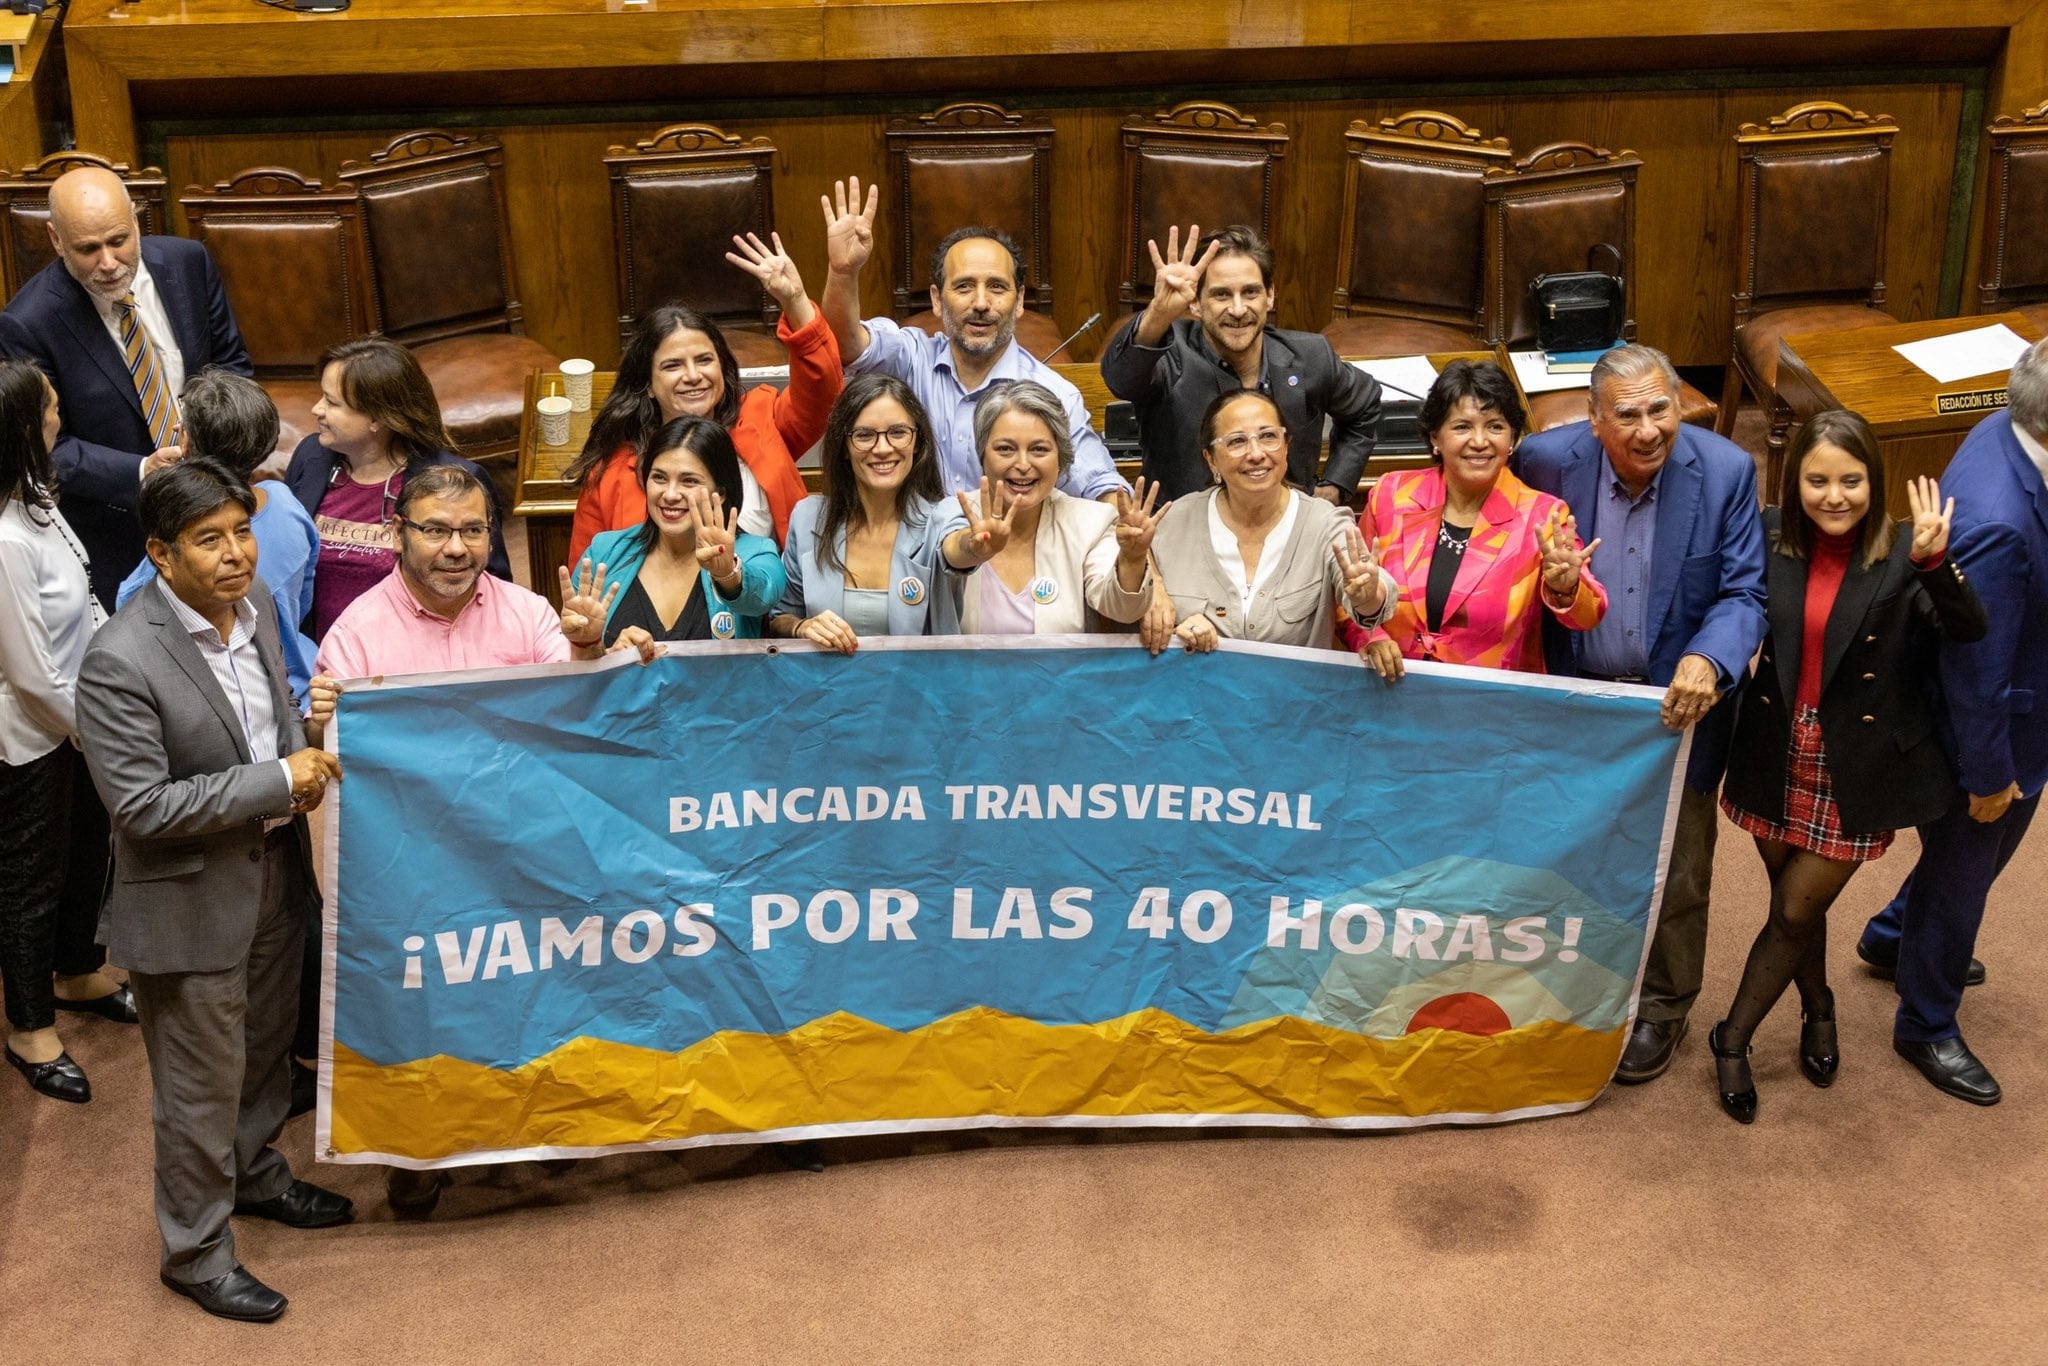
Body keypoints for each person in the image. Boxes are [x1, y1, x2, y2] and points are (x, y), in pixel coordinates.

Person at [309, 462, 656, 1214]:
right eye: (435, 530)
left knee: (540, 991)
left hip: (528, 856)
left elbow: (578, 725)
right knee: (425, 1006)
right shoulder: (355, 636)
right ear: (398, 533)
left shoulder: (532, 615)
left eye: (472, 530)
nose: (455, 548)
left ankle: (537, 1128)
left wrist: (591, 652)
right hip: (417, 875)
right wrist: (319, 719)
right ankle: (418, 1151)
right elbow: (335, 760)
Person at [74, 460, 350, 1323]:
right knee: (197, 1089)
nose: (236, 555)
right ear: (159, 553)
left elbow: (262, 729)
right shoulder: (119, 660)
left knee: (266, 1054)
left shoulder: (258, 608)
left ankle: (259, 1174)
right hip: (187, 900)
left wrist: (309, 726)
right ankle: (194, 1252)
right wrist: (279, 777)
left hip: (274, 876)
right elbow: (143, 806)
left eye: (242, 532)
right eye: (209, 540)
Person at [1708, 414, 1984, 1123]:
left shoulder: (1901, 553)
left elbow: (1967, 629)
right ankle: (1819, 1005)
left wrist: (1935, 563)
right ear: (1794, 479)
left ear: (1875, 481)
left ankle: (1731, 1038)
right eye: (1818, 479)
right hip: (1772, 747)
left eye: (1852, 480)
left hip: (1854, 762)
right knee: (1794, 909)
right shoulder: (1769, 535)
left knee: (1796, 909)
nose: (1835, 496)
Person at [1515, 343, 1767, 1084]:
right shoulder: (1543, 461)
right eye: (1629, 414)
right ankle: (1574, 989)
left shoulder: (1724, 473)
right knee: (1568, 857)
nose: (1651, 428)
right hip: (1575, 703)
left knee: (1681, 872)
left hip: (1675, 711)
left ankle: (1663, 1004)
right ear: (1594, 421)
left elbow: (1744, 593)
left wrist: (1710, 658)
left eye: (1663, 408)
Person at [1854, 338, 2048, 1105]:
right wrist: (1990, 776)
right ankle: (1926, 1024)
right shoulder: (2003, 522)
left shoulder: (2007, 426)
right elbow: (1978, 673)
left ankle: (1890, 938)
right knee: (1968, 874)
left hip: (2009, 704)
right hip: (1991, 734)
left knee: (1966, 868)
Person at [0, 166, 254, 608]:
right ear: (56, 240)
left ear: (137, 222)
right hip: (118, 530)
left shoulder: (188, 263)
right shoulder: (27, 324)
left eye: (118, 240)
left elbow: (232, 366)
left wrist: (214, 436)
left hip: (216, 497)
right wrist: (141, 471)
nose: (108, 262)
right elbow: (43, 446)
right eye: (87, 248)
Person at [817, 177, 1126, 501]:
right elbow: (843, 346)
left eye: (996, 287)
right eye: (964, 286)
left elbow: (1099, 484)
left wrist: (1124, 523)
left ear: (1019, 300)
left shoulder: (1054, 394)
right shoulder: (911, 360)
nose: (980, 303)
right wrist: (842, 272)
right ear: (937, 300)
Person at [0, 359, 130, 1104]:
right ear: (22, 428)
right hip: (30, 736)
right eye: (50, 408)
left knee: (90, 849)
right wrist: (95, 728)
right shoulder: (4, 538)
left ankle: (79, 968)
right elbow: (29, 672)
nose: (61, 416)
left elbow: (84, 599)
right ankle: (29, 1025)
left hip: (81, 716)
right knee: (30, 879)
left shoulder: (38, 498)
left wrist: (114, 683)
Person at [566, 231, 838, 565]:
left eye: (704, 360)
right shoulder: (610, 474)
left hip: (772, 606)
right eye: (672, 365)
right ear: (648, 384)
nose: (693, 375)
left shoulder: (760, 418)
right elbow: (589, 577)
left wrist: (795, 301)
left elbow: (823, 393)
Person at [1340, 360, 1604, 677]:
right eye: (1462, 426)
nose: (1479, 441)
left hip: (1490, 709)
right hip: (1390, 696)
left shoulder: (1543, 516)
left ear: (1513, 440)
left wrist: (1567, 587)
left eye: (1495, 426)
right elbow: (1348, 593)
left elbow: (1588, 616)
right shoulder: (1391, 495)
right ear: (1435, 437)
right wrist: (1371, 637)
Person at [1099, 224, 1383, 503]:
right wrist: (1158, 314)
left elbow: (1365, 406)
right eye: (1221, 294)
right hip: (1186, 536)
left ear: (1269, 295)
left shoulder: (1311, 355)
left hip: (1287, 533)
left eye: (1250, 292)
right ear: (1196, 303)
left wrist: (1335, 485)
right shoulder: (1168, 356)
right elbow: (1121, 379)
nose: (1238, 309)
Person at [280, 336, 510, 642]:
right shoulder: (312, 457)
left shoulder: (454, 479)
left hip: (417, 656)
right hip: (321, 662)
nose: (316, 409)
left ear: (378, 417)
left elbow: (492, 585)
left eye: (332, 402)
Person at [117, 369, 319, 709]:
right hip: (303, 679)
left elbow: (130, 605)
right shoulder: (286, 502)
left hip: (234, 699)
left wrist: (178, 493)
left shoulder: (187, 532)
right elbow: (306, 593)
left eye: (184, 427)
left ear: (188, 444)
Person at [766, 374, 1012, 651]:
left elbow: (955, 549)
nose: (882, 448)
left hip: (920, 690)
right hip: (828, 690)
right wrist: (802, 627)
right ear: (844, 447)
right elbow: (778, 618)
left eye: (898, 432)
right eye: (864, 435)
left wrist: (976, 548)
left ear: (917, 442)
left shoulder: (941, 515)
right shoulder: (808, 516)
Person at [1146, 390, 1398, 652]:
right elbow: (1131, 574)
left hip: (1296, 691)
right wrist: (1165, 608)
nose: (1256, 453)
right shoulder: (1173, 522)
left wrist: (1368, 595)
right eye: (1236, 441)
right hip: (1196, 689)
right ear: (1211, 459)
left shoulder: (1325, 523)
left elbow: (1370, 598)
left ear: (1287, 446)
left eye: (1268, 437)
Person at [957, 380, 1157, 634]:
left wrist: (1133, 557)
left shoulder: (1091, 522)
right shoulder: (952, 516)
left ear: (1060, 459)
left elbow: (1123, 610)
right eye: (1005, 449)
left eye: (1039, 449)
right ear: (982, 455)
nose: (1022, 464)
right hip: (966, 674)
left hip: (1061, 674)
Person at [573, 417, 787, 648]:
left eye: (689, 481)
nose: (671, 494)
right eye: (659, 478)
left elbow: (763, 598)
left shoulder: (757, 552)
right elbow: (580, 666)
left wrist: (728, 575)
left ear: (721, 492)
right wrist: (604, 653)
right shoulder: (604, 552)